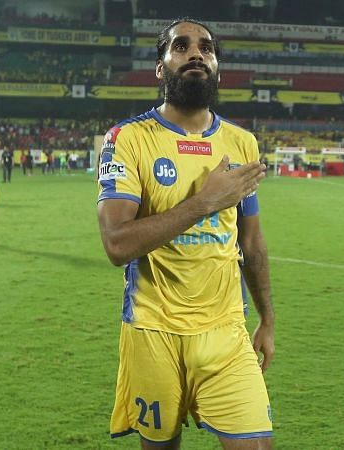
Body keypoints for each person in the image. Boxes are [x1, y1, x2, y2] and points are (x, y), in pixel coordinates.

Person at [97, 18, 274, 450]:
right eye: (181, 46)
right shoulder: (127, 139)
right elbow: (117, 244)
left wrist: (268, 320)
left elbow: (250, 242)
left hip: (227, 331)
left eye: (206, 48)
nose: (196, 53)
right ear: (161, 67)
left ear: (216, 67)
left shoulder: (241, 142)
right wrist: (204, 202)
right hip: (152, 330)